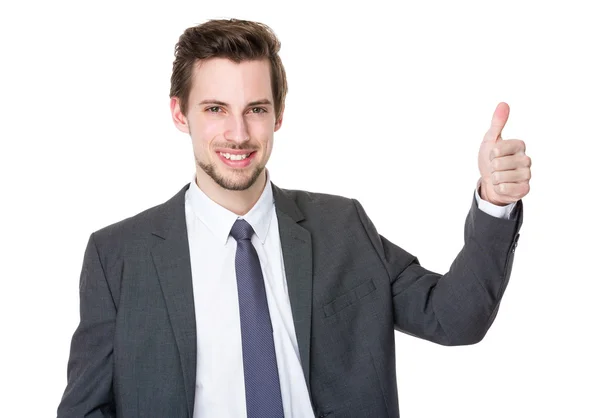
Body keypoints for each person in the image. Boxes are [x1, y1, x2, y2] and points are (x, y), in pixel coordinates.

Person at [57, 18, 531, 418]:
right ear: (181, 114)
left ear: (278, 114)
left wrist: (494, 201)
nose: (238, 134)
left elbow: (455, 318)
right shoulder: (117, 255)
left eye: (256, 109)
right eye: (216, 109)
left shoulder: (343, 227)